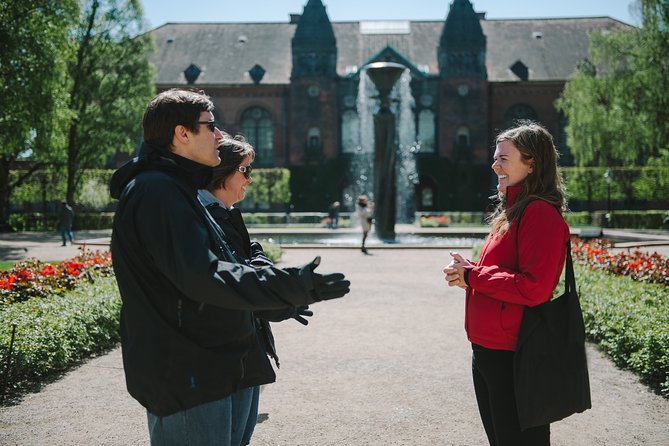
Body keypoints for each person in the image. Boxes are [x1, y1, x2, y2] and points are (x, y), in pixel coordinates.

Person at [109, 89, 350, 446]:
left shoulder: (175, 188)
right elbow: (204, 276)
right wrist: (293, 285)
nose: (220, 135)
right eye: (211, 125)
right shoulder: (158, 192)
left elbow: (229, 266)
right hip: (186, 372)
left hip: (204, 368)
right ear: (182, 134)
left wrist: (285, 296)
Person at [443, 121, 570, 446]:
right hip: (488, 350)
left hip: (514, 354)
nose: (494, 164)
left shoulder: (539, 213)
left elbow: (534, 287)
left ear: (532, 164)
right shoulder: (513, 211)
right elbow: (503, 273)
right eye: (496, 157)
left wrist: (473, 276)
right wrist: (469, 271)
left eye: (504, 159)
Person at [198, 133, 314, 426]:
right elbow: (238, 280)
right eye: (245, 171)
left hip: (242, 348)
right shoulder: (205, 215)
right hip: (223, 356)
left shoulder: (225, 212)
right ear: (222, 171)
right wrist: (286, 301)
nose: (249, 180)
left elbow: (251, 258)